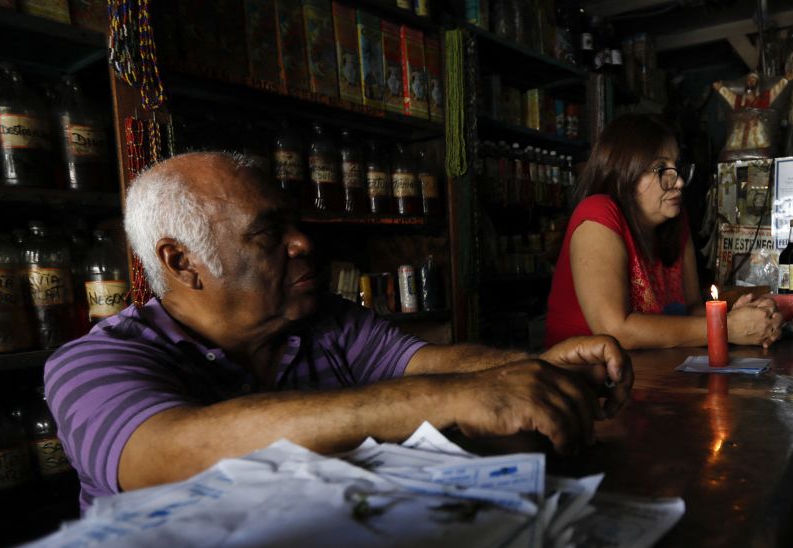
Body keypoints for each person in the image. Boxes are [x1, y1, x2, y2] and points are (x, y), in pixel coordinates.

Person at [44, 152, 632, 511]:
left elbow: (427, 364)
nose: (304, 244)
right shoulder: (92, 365)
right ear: (182, 262)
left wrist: (536, 371)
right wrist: (454, 396)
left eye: (296, 225)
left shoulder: (323, 320)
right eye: (269, 234)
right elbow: (166, 451)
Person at [545, 113, 781, 350]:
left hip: (651, 371)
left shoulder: (675, 221)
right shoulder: (598, 214)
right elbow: (615, 330)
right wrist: (726, 327)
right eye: (660, 168)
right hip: (585, 380)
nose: (678, 182)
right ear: (624, 173)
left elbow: (691, 308)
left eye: (676, 167)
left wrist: (742, 317)